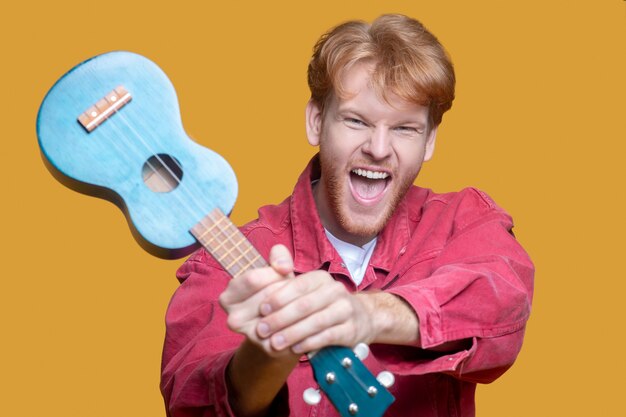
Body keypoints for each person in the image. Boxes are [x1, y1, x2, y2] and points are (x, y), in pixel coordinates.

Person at [160, 14, 534, 417]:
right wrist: (266, 354)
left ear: (429, 141)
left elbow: (502, 307)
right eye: (356, 121)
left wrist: (366, 315)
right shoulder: (224, 260)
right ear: (317, 122)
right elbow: (190, 401)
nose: (378, 147)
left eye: (405, 129)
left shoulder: (464, 221)